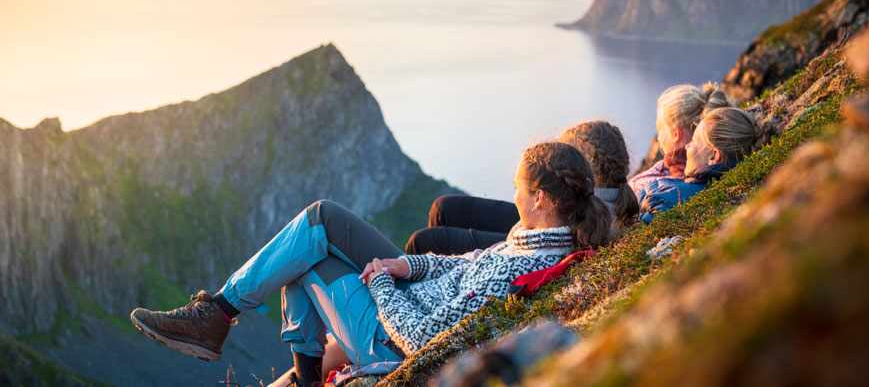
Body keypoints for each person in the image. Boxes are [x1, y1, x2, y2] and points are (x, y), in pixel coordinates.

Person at [129, 141, 612, 387]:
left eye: (519, 187)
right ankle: (221, 316)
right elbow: (462, 265)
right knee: (319, 223)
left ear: (543, 199)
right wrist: (407, 268)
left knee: (305, 252)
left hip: (394, 337)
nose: (513, 194)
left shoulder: (518, 264)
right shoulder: (533, 241)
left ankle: (220, 317)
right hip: (406, 296)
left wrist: (381, 284)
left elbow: (424, 341)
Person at [405, 120, 637, 256]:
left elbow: (547, 242)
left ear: (586, 169)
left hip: (539, 231)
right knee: (443, 207)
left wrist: (500, 250)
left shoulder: (590, 212)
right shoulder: (612, 196)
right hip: (543, 220)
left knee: (424, 241)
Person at [638, 107, 773, 223]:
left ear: (713, 157)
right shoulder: (726, 188)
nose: (687, 146)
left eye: (695, 141)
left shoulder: (669, 200)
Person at [627, 83, 731, 197]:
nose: (659, 137)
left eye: (660, 129)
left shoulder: (653, 188)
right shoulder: (720, 163)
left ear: (675, 134)